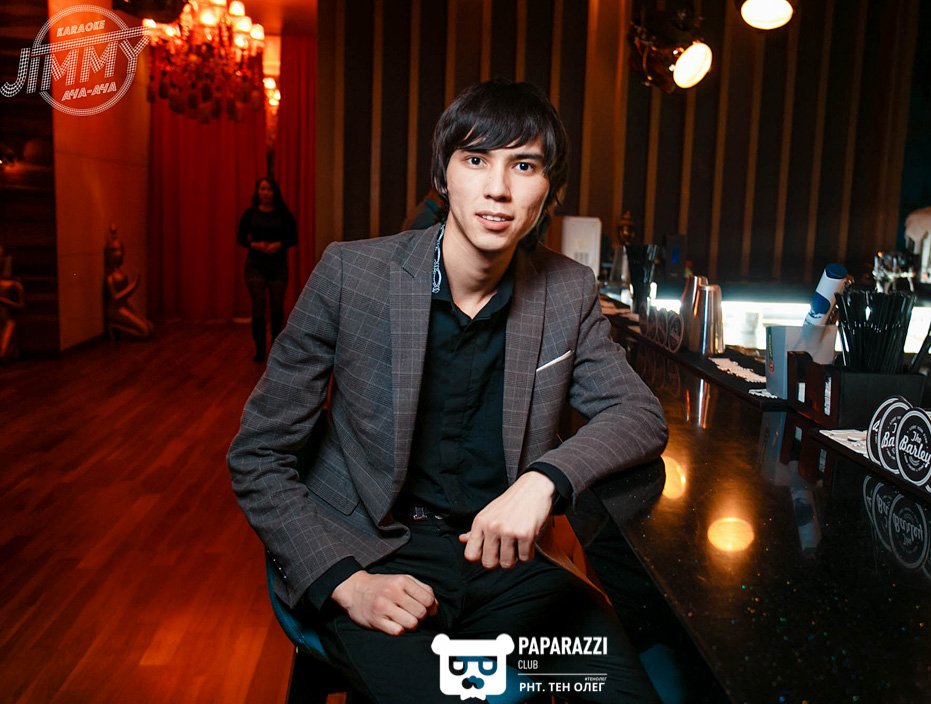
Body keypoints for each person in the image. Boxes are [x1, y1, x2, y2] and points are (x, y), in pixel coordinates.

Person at [228, 79, 668, 703]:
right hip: (376, 560)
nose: (499, 188)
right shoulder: (353, 274)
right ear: (444, 175)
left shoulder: (565, 289)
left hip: (506, 568)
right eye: (476, 159)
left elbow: (638, 414)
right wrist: (347, 583)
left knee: (616, 692)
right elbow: (258, 453)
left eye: (524, 165)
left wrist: (542, 481)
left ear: (549, 189)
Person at [237, 177, 297, 362]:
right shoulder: (250, 214)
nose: (265, 193)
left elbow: (293, 237)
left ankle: (277, 348)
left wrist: (279, 244)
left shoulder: (284, 214)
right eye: (262, 189)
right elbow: (240, 238)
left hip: (278, 265)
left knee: (277, 307)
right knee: (258, 306)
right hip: (256, 265)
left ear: (275, 192)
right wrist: (254, 244)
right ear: (257, 192)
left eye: (269, 189)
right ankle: (260, 349)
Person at [104, 230, 154, 339]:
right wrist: (133, 286)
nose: (120, 253)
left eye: (121, 250)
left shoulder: (120, 272)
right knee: (145, 332)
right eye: (115, 250)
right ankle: (114, 325)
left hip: (125, 306)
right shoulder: (110, 277)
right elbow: (115, 297)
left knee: (150, 327)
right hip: (116, 309)